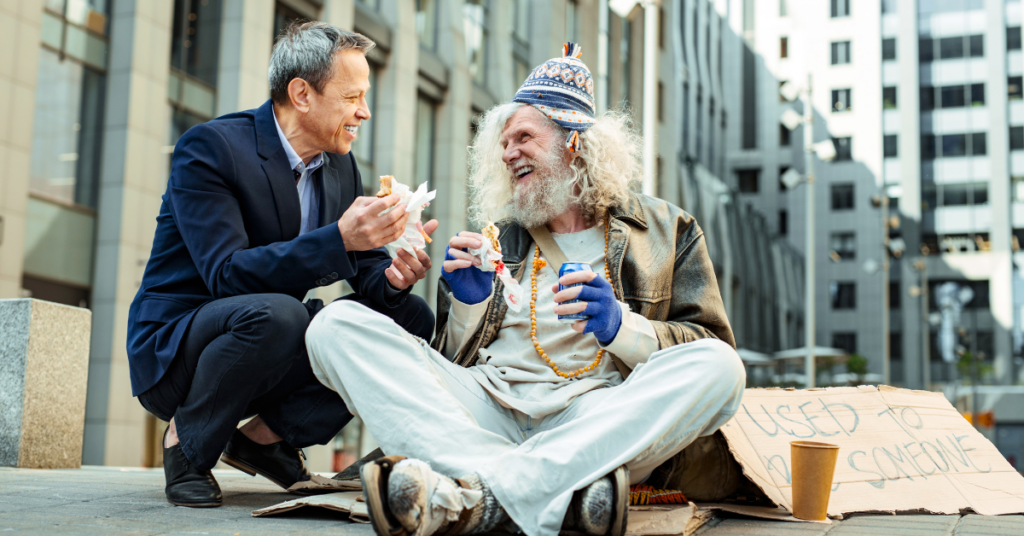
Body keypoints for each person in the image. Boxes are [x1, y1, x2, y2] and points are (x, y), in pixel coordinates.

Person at [305, 43, 744, 536]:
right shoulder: (499, 238)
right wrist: (468, 304)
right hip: (486, 407)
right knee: (334, 324)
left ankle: (471, 495)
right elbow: (446, 370)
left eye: (523, 138)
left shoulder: (667, 229)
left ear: (573, 142)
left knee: (721, 368)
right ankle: (551, 489)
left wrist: (621, 327)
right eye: (504, 143)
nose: (508, 153)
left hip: (593, 414)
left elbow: (709, 342)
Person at [126, 22, 436, 508]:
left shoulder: (339, 164)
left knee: (410, 318)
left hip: (269, 343)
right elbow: (226, 274)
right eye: (352, 97)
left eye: (366, 97)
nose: (365, 111)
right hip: (179, 347)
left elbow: (366, 269)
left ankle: (265, 439)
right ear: (302, 94)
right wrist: (340, 238)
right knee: (280, 314)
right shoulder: (211, 148)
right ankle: (186, 444)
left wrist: (394, 278)